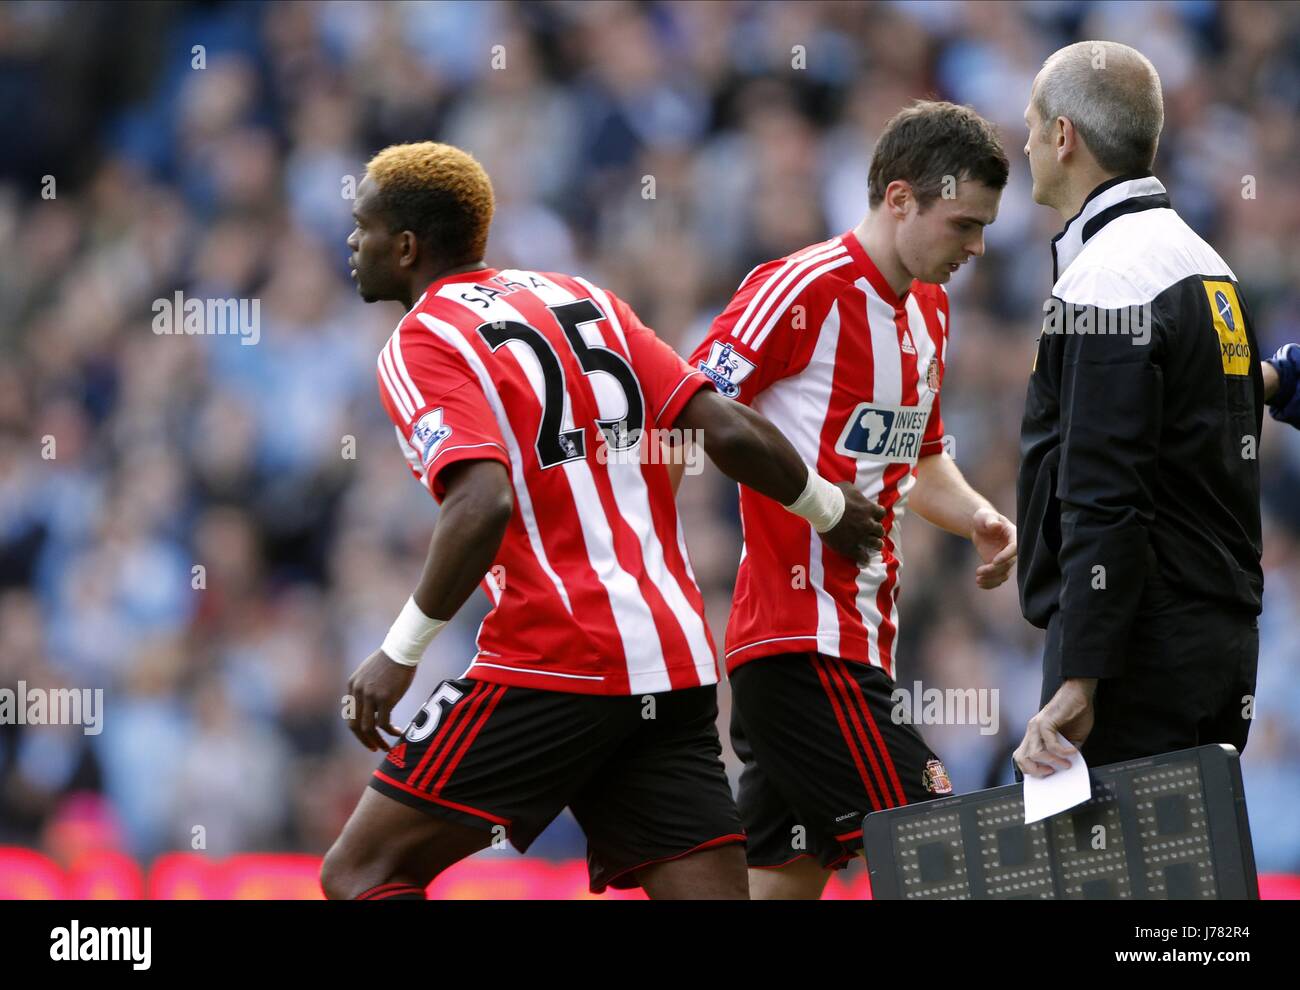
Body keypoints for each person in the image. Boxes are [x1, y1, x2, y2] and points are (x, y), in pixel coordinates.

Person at [318, 141, 884, 900]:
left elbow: (481, 502)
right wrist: (827, 507)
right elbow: (725, 427)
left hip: (554, 656)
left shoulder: (421, 342)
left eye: (362, 226)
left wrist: (400, 652)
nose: (352, 242)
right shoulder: (586, 299)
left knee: (361, 873)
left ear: (408, 245)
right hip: (676, 659)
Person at [684, 101, 1017, 899]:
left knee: (782, 887)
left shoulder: (932, 311)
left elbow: (922, 456)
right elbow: (691, 405)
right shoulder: (800, 288)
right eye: (963, 224)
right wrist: (817, 505)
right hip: (802, 646)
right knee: (946, 854)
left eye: (984, 229)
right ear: (900, 199)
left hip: (860, 644)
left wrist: (976, 514)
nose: (976, 247)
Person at [1012, 41, 1300, 779]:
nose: (1025, 141)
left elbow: (1105, 495)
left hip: (1136, 658)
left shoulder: (1107, 281)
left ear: (1065, 137)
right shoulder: (1212, 270)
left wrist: (1082, 676)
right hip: (1221, 645)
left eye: (1032, 124)